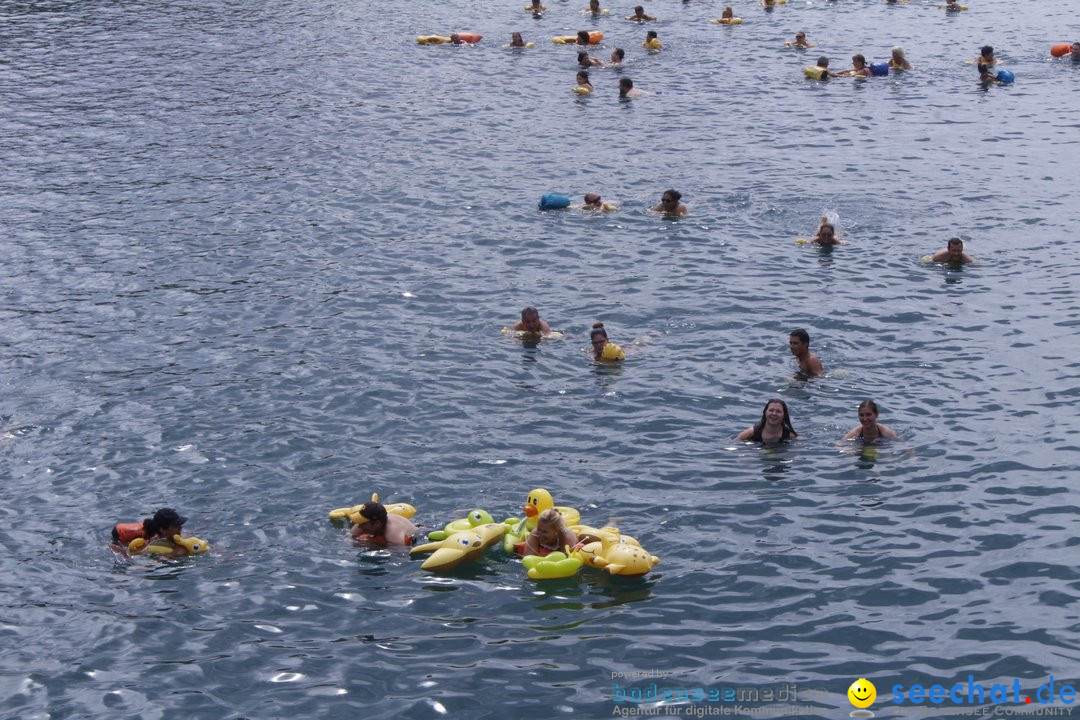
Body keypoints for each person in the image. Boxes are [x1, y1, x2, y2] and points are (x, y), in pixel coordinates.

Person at [126, 508, 192, 557]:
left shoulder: (182, 537)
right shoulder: (154, 542)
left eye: (180, 524)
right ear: (163, 530)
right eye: (176, 526)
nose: (180, 528)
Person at [350, 500, 418, 546]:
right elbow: (349, 537)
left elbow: (400, 555)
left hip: (420, 534)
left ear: (377, 523)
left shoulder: (393, 532)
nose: (359, 526)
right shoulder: (366, 521)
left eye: (363, 523)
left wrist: (372, 543)